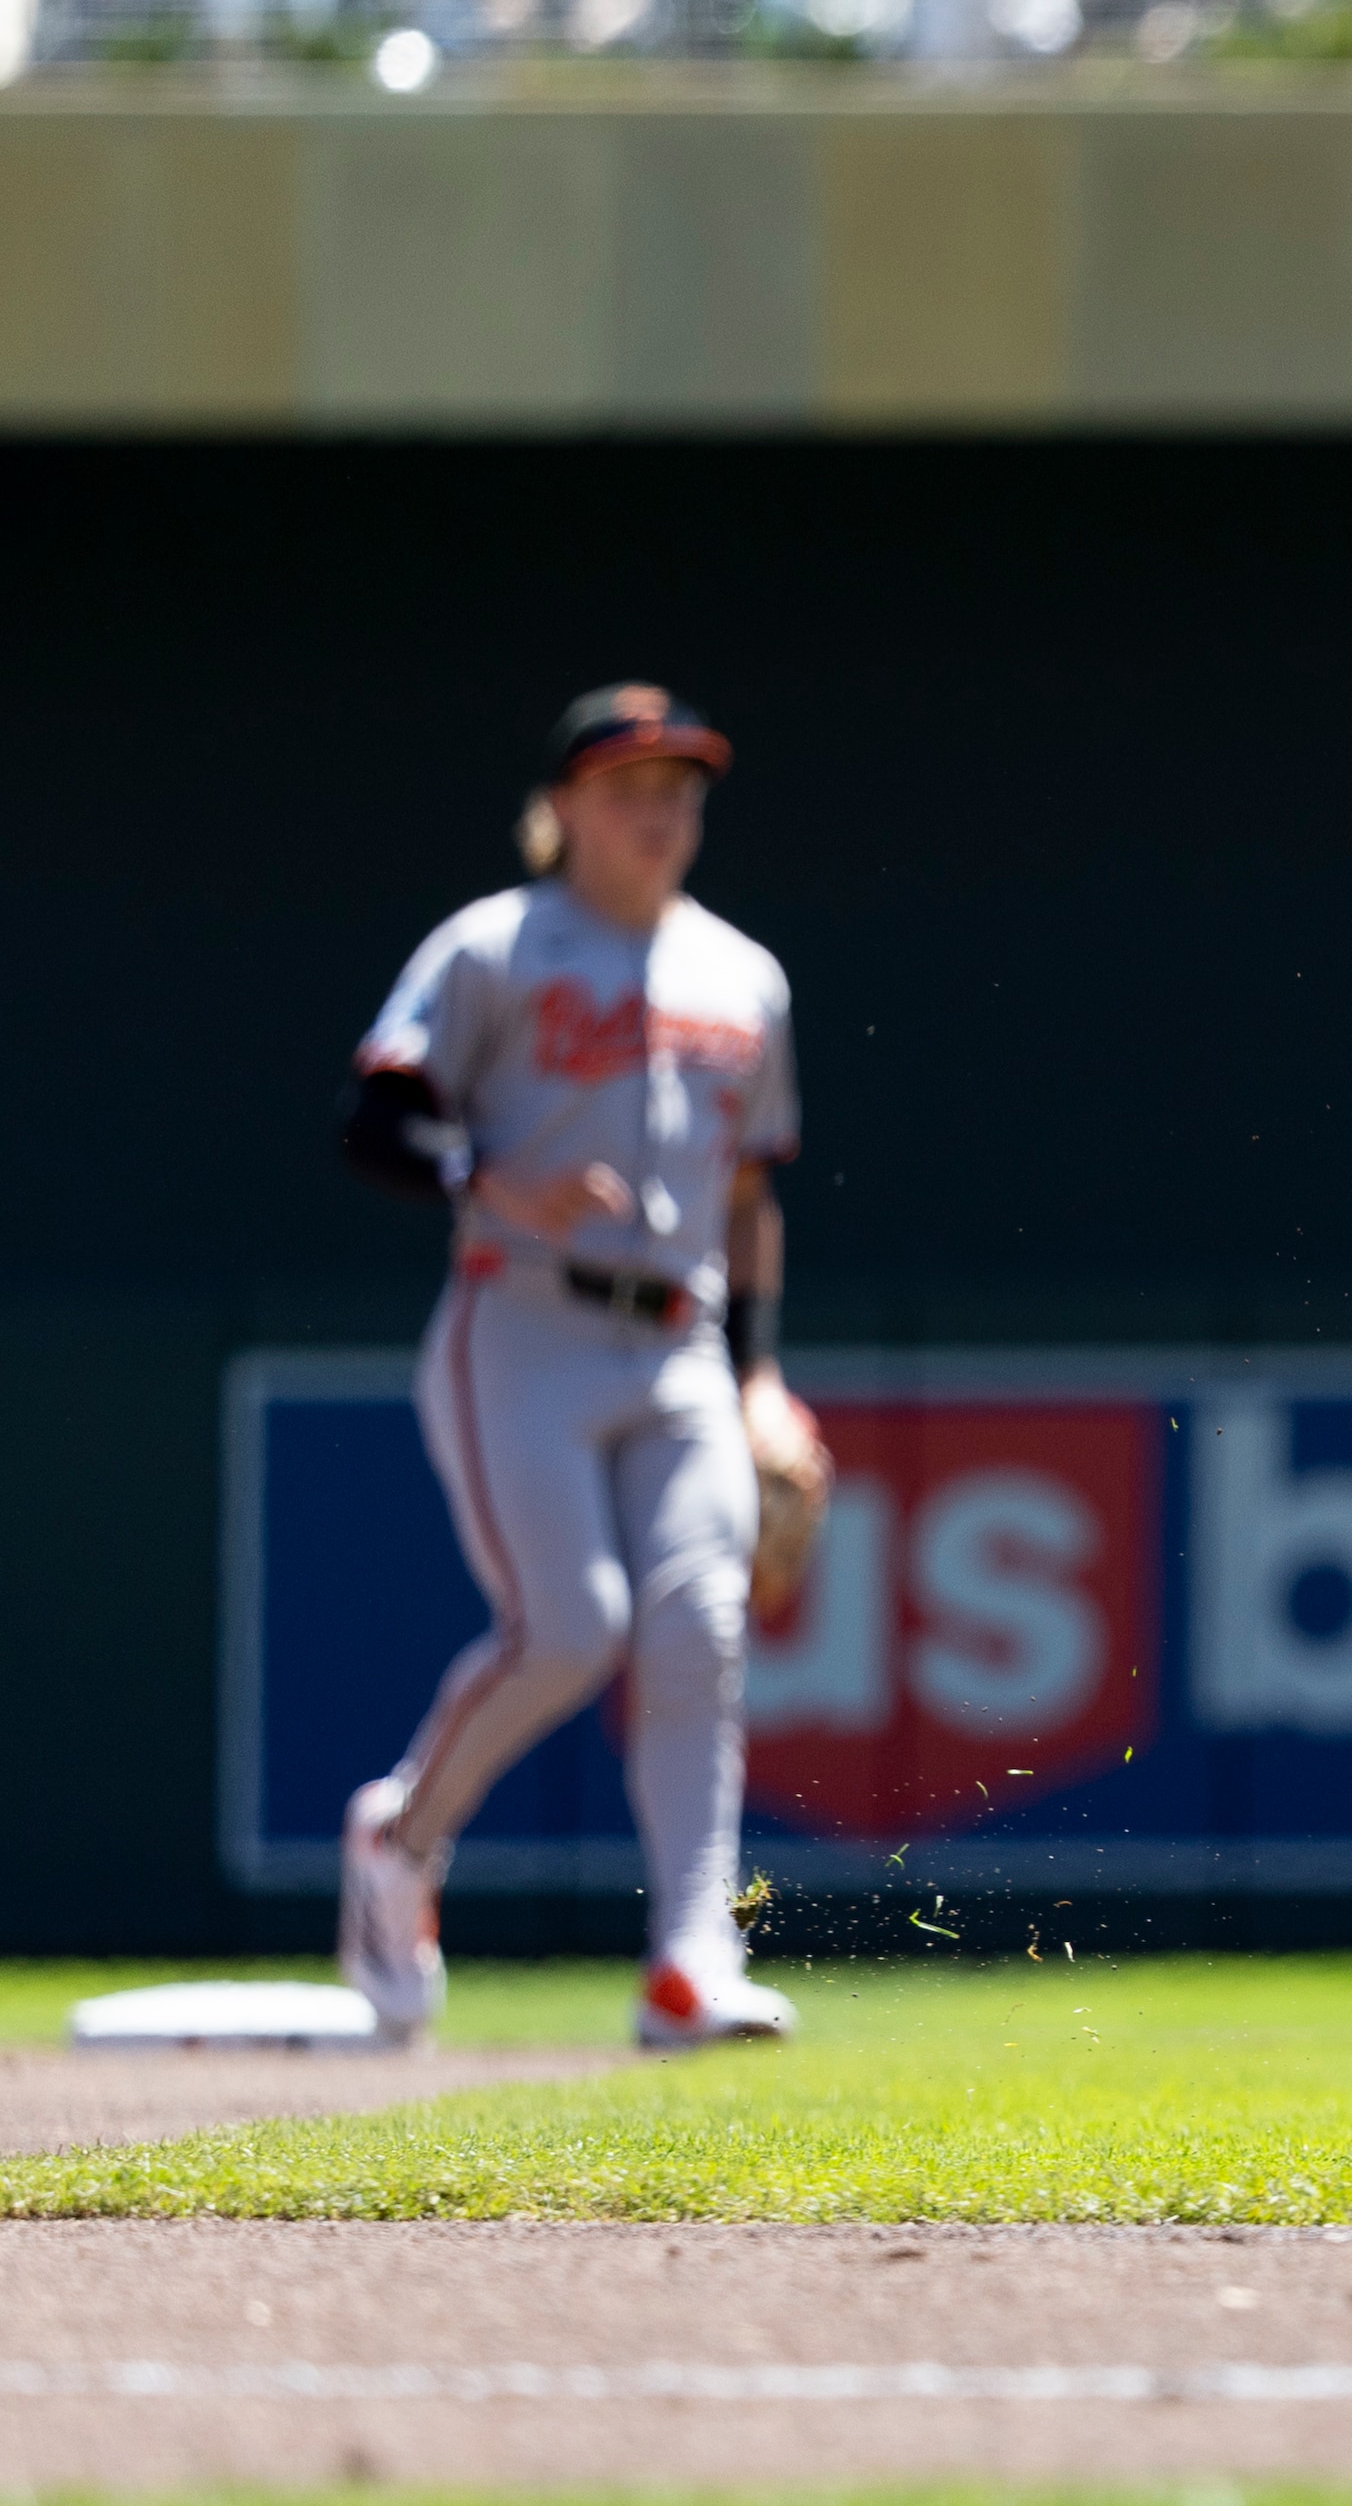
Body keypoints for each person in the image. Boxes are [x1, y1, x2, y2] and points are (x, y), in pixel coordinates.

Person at [331, 687, 831, 2055]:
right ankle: (398, 1834)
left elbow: (748, 1194)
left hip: (683, 1339)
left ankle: (690, 1955)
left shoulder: (744, 972)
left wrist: (761, 1377)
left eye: (680, 786)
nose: (660, 810)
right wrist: (487, 1174)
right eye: (628, 787)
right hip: (523, 1322)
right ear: (563, 809)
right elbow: (376, 1116)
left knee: (700, 1631)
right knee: (570, 1629)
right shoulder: (495, 945)